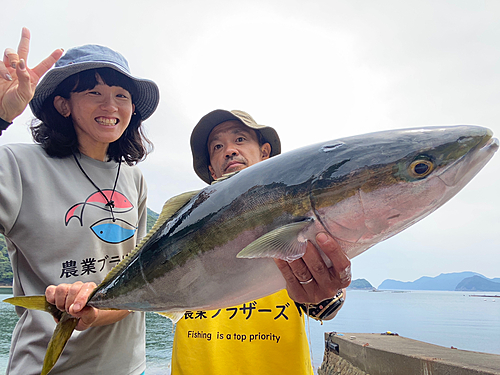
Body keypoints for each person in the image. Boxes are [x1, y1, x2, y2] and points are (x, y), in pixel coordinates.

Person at [0, 28, 159, 375]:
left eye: (121, 95)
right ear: (63, 105)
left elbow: (140, 281)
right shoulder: (17, 165)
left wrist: (94, 312)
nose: (111, 105)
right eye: (94, 92)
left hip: (129, 368)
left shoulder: (134, 178)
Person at [171, 109, 351, 374]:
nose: (229, 150)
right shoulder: (183, 227)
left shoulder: (295, 214)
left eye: (240, 139)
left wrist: (327, 293)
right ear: (211, 168)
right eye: (217, 146)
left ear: (265, 152)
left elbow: (326, 306)